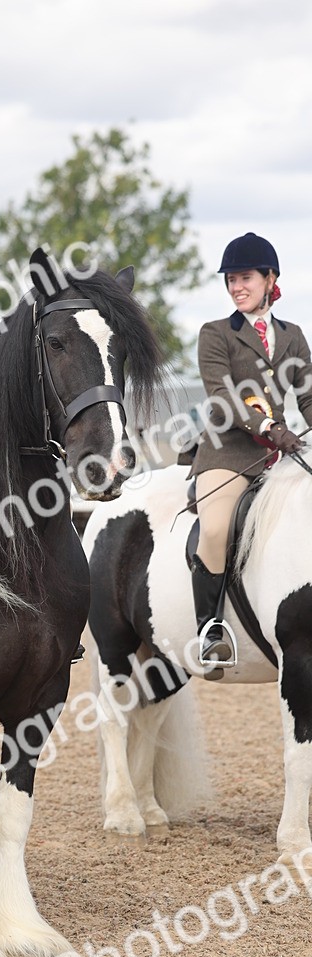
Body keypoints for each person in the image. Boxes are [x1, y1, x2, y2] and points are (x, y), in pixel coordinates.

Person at [191, 232, 312, 676]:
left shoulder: (294, 337)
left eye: (245, 278)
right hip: (228, 455)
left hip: (279, 460)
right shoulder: (216, 334)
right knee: (218, 527)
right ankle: (210, 632)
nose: (236, 287)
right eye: (231, 280)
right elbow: (221, 396)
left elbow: (309, 398)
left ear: (269, 279)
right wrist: (267, 426)